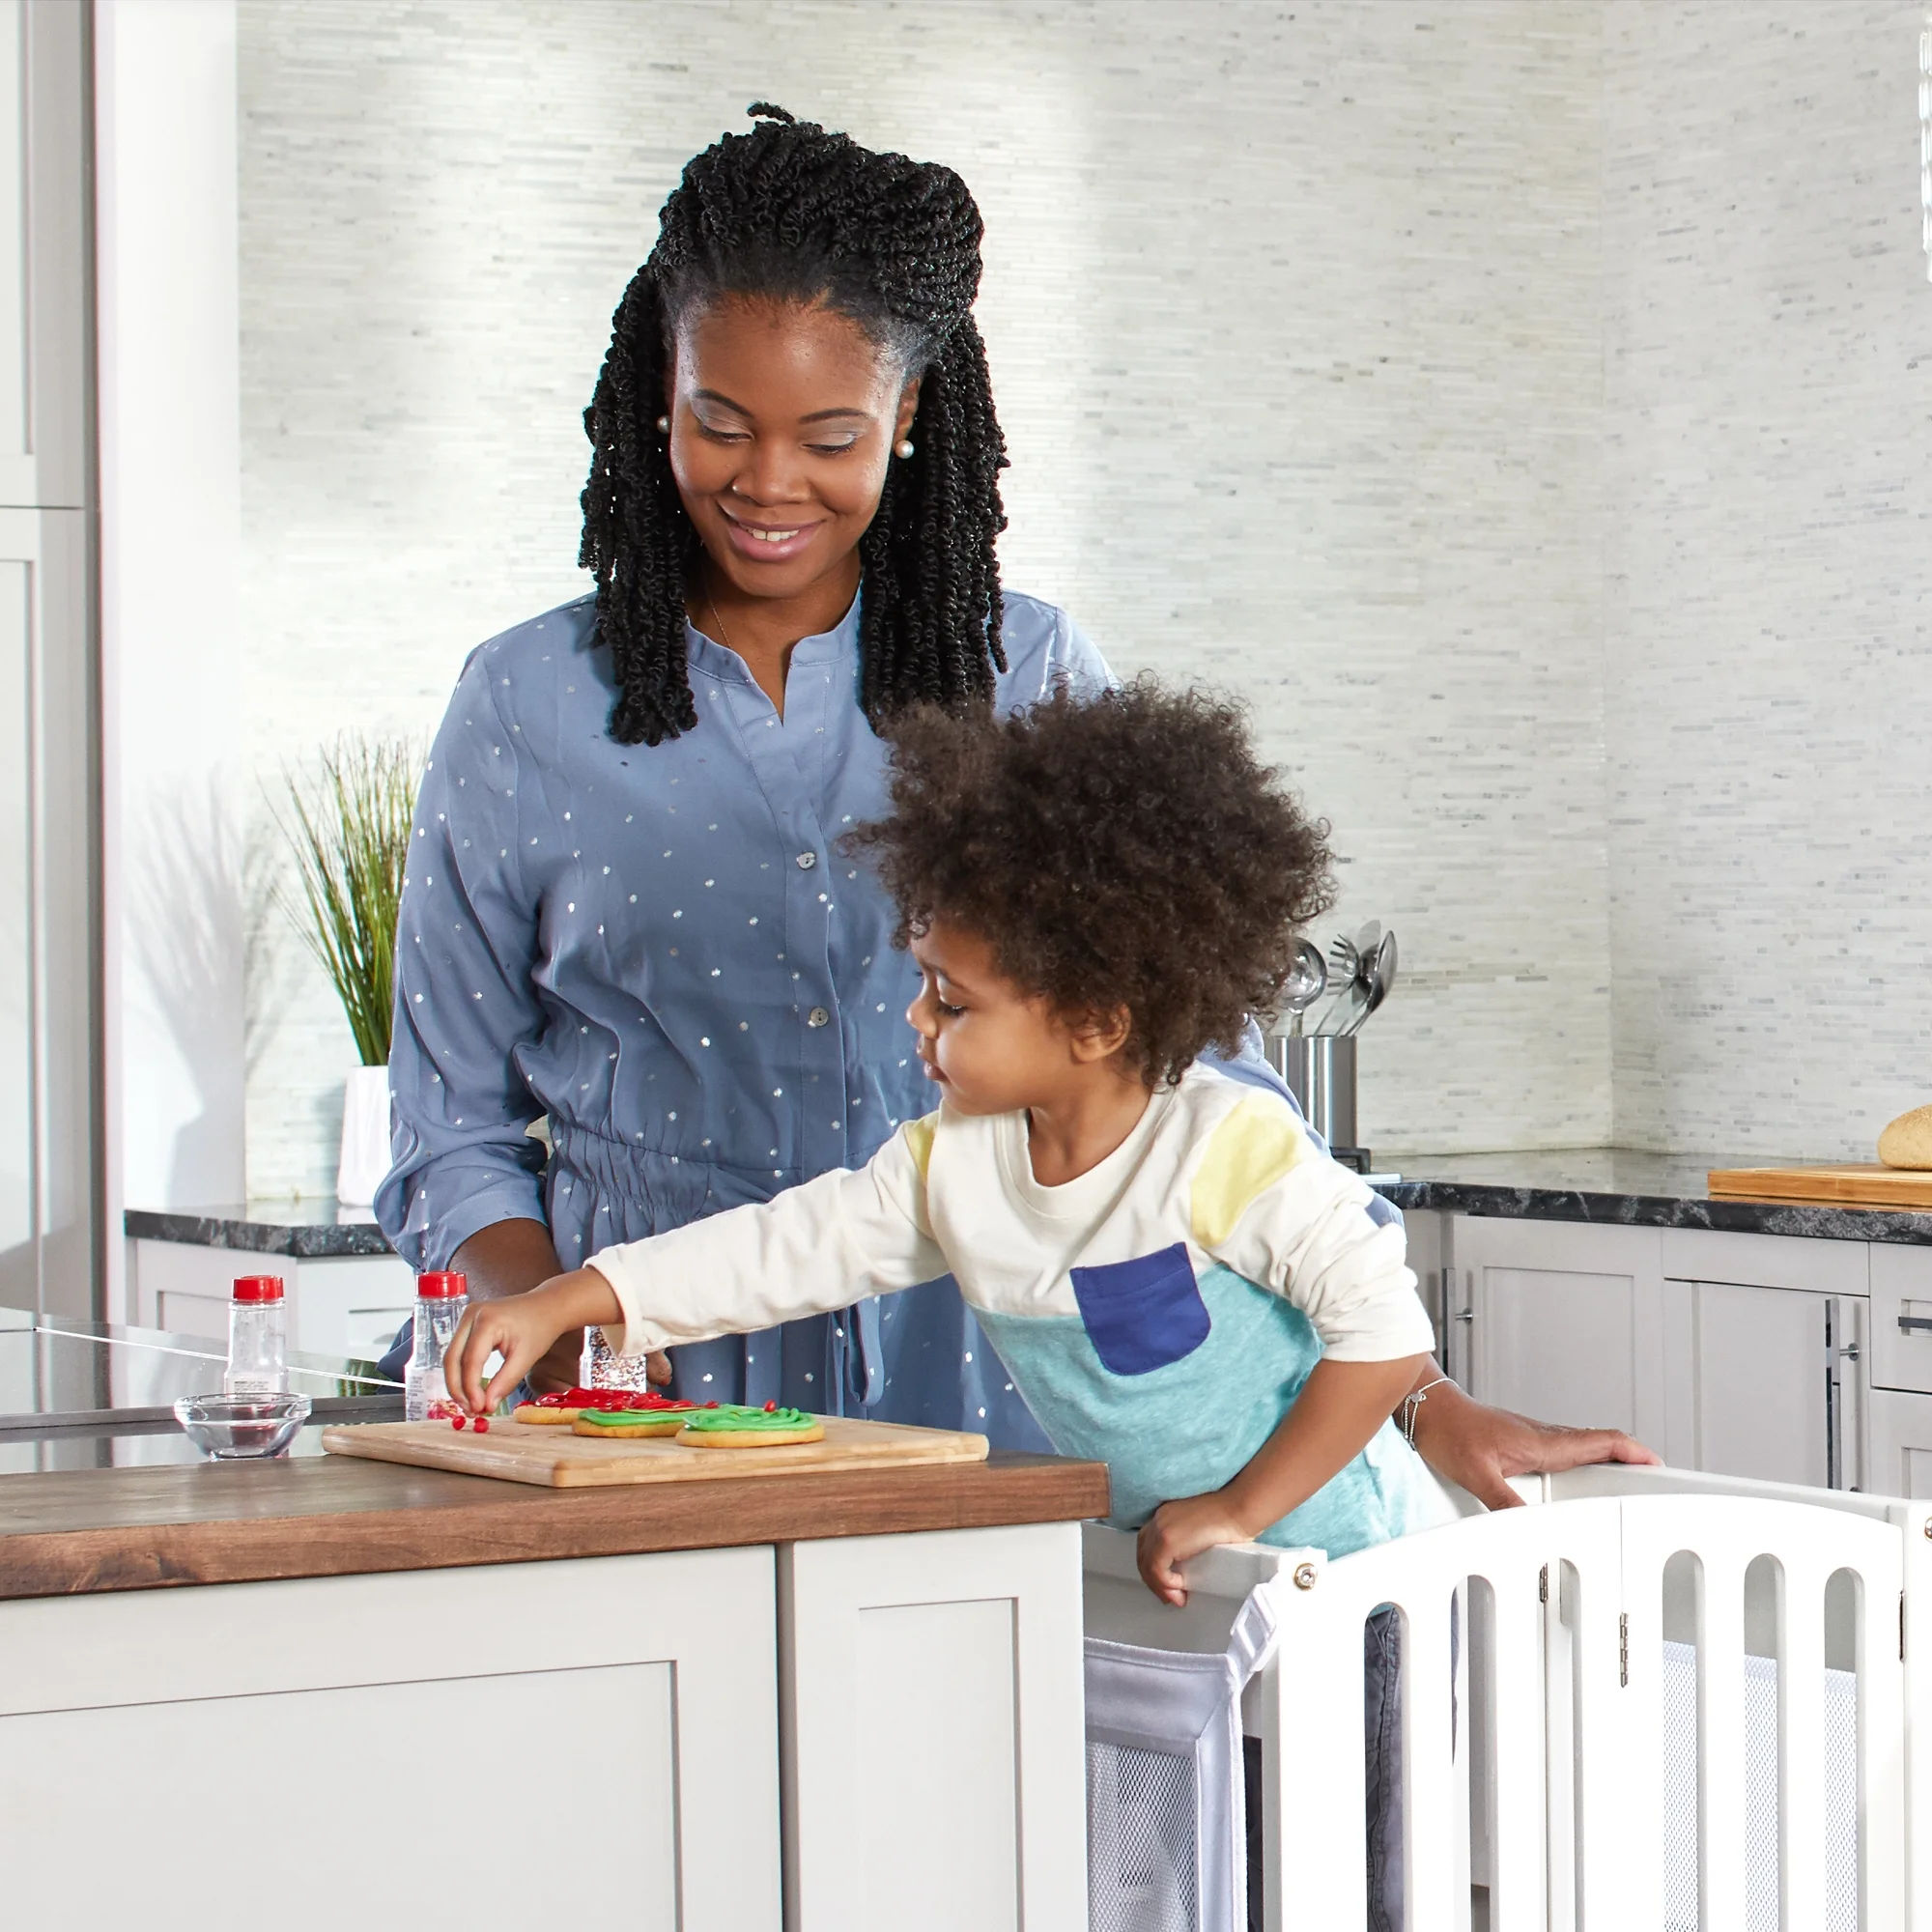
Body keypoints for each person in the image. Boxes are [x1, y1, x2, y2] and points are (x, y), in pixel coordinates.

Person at [378, 102, 1657, 1505]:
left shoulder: (1026, 671)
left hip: (1000, 1374)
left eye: (830, 436)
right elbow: (452, 1128)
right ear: (657, 391)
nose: (767, 483)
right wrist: (558, 1326)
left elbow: (1192, 1079)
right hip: (643, 1398)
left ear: (911, 416)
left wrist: (1413, 1398)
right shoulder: (522, 707)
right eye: (720, 424)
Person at [448, 681, 1448, 1599]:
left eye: (952, 1001)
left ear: (1096, 1020)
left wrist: (1241, 1506)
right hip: (1192, 1581)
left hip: (1360, 1575)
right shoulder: (956, 1161)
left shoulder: (1223, 1144)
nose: (918, 1021)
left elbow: (1385, 1334)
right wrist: (566, 1300)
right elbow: (785, 1248)